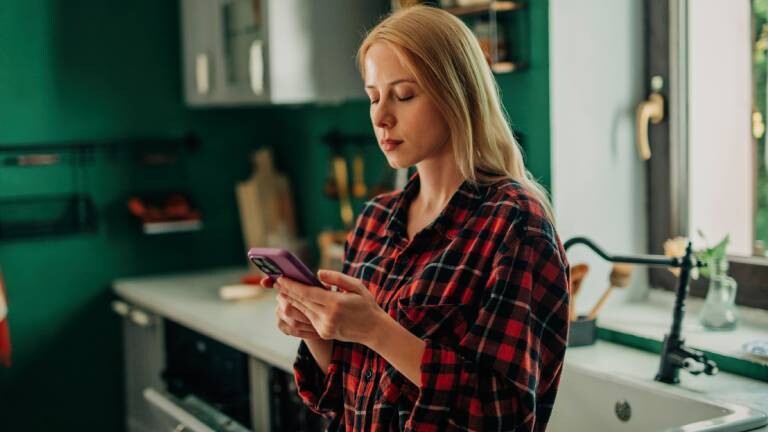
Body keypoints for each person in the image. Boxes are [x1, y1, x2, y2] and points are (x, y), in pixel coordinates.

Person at [262, 5, 570, 431]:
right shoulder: (375, 219)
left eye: (404, 95)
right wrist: (315, 327)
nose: (380, 116)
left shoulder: (514, 222)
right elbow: (344, 394)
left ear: (455, 94)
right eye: (373, 96)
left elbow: (505, 414)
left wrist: (377, 330)